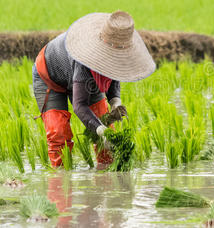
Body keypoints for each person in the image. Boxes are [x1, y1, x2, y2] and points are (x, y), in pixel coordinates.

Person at [33, 11, 156, 168]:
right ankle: (61, 180)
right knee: (58, 133)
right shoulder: (85, 56)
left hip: (85, 79)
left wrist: (115, 102)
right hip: (50, 77)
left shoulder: (115, 55)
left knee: (105, 125)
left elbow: (114, 73)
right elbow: (79, 105)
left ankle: (106, 177)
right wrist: (100, 130)